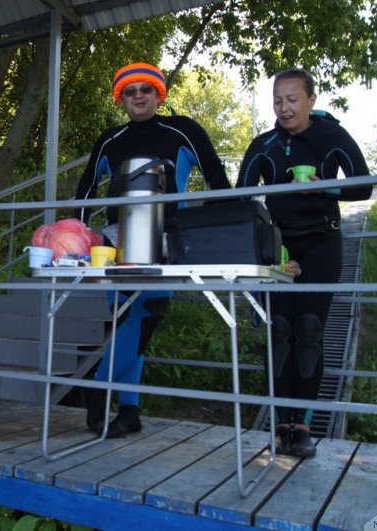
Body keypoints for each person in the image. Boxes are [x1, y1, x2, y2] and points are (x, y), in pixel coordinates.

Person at [74, 62, 231, 438]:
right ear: (120, 98)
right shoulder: (110, 140)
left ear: (159, 94)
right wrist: (79, 235)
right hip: (117, 241)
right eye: (131, 91)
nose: (139, 96)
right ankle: (130, 412)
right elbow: (85, 188)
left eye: (146, 89)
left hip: (168, 238)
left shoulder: (184, 130)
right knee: (127, 321)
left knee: (147, 314)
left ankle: (99, 387)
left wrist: (220, 228)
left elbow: (216, 178)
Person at [237, 68, 372, 457]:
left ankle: (304, 426)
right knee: (279, 330)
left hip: (322, 243)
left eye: (292, 99)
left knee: (309, 330)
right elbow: (240, 195)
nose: (284, 108)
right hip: (278, 247)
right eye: (277, 100)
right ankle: (282, 422)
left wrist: (322, 185)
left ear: (311, 100)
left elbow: (363, 185)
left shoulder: (331, 136)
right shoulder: (265, 144)